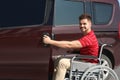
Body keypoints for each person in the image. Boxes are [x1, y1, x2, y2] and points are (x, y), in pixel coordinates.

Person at [43, 14, 99, 80]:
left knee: (62, 63)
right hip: (84, 60)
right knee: (58, 59)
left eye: (84, 24)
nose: (82, 26)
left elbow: (69, 45)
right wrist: (75, 51)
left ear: (90, 24)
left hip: (88, 64)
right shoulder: (88, 36)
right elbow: (88, 49)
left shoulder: (89, 38)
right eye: (80, 24)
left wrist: (50, 41)